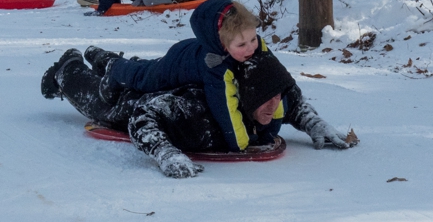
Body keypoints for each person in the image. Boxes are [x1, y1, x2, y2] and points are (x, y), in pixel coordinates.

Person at [41, 47, 353, 177]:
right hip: (135, 101)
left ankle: (104, 58)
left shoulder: (272, 94)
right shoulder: (196, 111)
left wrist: (314, 123)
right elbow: (142, 116)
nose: (275, 106)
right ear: (244, 96)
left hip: (164, 81)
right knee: (100, 102)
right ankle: (69, 66)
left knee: (132, 70)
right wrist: (165, 152)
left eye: (277, 98)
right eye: (265, 100)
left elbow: (291, 99)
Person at [98, 0, 280, 152]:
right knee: (143, 78)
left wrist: (270, 130)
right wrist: (240, 144)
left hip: (192, 51)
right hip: (176, 64)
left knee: (148, 67)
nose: (250, 48)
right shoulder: (216, 66)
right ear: (222, 45)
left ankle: (136, 61)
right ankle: (116, 67)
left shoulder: (258, 49)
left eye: (253, 39)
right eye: (241, 45)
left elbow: (274, 84)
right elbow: (225, 108)